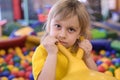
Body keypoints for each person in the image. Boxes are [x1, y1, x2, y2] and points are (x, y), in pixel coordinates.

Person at [32, 0, 98, 80]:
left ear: (80, 33)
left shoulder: (80, 50)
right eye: (58, 26)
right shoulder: (42, 52)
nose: (62, 35)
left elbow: (96, 76)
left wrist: (87, 57)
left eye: (71, 29)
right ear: (49, 26)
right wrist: (52, 54)